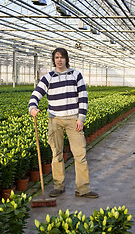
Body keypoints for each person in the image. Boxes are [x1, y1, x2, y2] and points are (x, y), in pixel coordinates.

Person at [29, 47, 98, 198]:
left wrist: (81, 118)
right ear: (53, 60)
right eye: (56, 57)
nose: (59, 60)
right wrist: (32, 107)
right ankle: (58, 186)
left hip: (73, 119)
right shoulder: (48, 77)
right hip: (55, 120)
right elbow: (36, 94)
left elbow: (83, 97)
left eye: (62, 57)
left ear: (66, 59)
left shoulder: (76, 75)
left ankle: (83, 189)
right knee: (57, 153)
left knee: (80, 154)